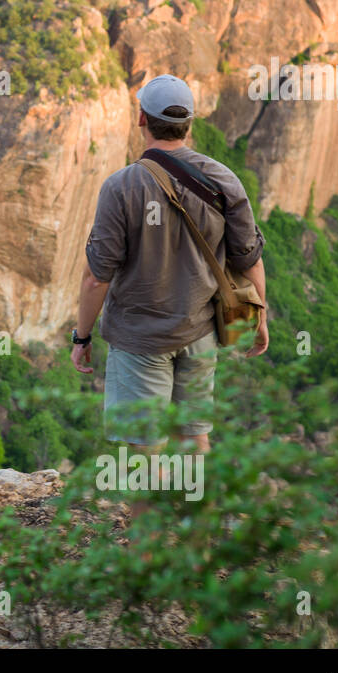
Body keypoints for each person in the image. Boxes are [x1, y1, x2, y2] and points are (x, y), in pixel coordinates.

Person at [71, 74, 268, 453]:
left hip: (139, 338)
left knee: (146, 446)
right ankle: (198, 510)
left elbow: (97, 278)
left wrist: (82, 337)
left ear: (142, 119)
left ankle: (152, 513)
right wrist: (260, 319)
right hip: (199, 332)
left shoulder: (121, 187)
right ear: (189, 123)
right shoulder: (223, 179)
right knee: (194, 437)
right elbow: (250, 261)